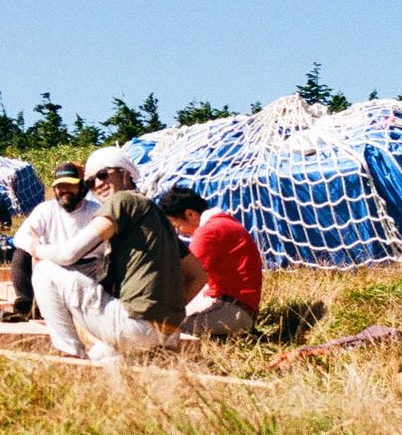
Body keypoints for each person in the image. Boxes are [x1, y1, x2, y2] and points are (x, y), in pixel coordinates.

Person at [27, 146, 203, 363]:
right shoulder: (155, 216)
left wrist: (37, 249)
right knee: (97, 364)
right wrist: (165, 312)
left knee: (45, 270)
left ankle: (69, 353)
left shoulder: (124, 201)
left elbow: (69, 253)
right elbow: (199, 275)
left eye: (103, 175)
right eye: (90, 182)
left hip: (134, 326)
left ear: (125, 173)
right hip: (166, 333)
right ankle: (149, 353)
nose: (97, 184)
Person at [156, 186, 264, 339]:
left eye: (177, 225)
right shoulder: (222, 222)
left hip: (233, 310)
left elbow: (183, 276)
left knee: (164, 329)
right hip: (238, 306)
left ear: (190, 214)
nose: (179, 232)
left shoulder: (208, 232)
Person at [8, 161, 107, 320]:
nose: (64, 190)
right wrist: (38, 250)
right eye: (60, 186)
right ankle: (29, 305)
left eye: (70, 185)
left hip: (85, 265)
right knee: (20, 257)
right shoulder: (46, 209)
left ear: (82, 187)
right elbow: (20, 237)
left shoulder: (96, 211)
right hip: (50, 261)